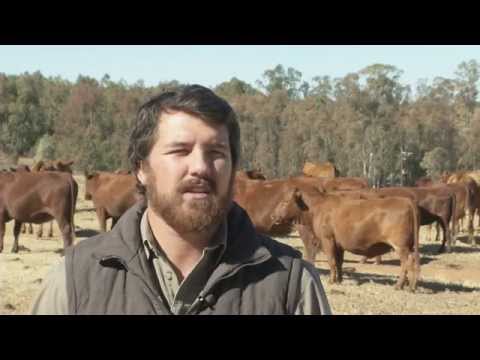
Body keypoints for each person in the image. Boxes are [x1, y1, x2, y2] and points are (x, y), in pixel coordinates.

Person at [30, 84, 331, 315]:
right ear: (141, 169)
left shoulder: (291, 284)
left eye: (216, 153)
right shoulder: (76, 279)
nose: (200, 167)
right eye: (179, 151)